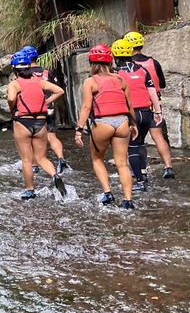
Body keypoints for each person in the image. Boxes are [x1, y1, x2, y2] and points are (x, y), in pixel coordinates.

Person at [73, 45, 138, 209]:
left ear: (91, 63)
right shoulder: (121, 79)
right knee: (122, 163)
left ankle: (108, 193)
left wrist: (79, 130)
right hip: (123, 122)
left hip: (102, 123)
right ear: (111, 61)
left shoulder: (90, 81)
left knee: (97, 159)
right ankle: (128, 200)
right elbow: (130, 105)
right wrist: (134, 124)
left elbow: (87, 107)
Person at [7, 51, 66, 200]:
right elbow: (60, 90)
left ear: (15, 69)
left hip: (23, 122)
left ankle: (30, 190)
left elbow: (11, 97)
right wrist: (45, 102)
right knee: (42, 157)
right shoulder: (39, 82)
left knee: (27, 160)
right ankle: (54, 175)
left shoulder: (15, 84)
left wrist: (11, 106)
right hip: (41, 122)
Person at [112, 38, 163, 191]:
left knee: (132, 147)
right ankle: (143, 171)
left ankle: (139, 181)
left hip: (130, 114)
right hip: (147, 112)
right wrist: (158, 111)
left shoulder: (115, 73)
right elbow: (152, 90)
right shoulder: (142, 70)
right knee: (140, 142)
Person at [123, 30, 175, 179]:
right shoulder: (153, 62)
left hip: (136, 106)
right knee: (158, 136)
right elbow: (162, 84)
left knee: (137, 139)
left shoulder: (128, 66)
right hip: (154, 103)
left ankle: (141, 171)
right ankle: (168, 167)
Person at [21, 45, 68, 174]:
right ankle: (61, 159)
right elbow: (56, 89)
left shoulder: (25, 73)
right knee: (52, 136)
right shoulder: (47, 72)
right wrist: (48, 102)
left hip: (34, 109)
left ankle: (35, 166)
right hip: (49, 106)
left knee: (32, 138)